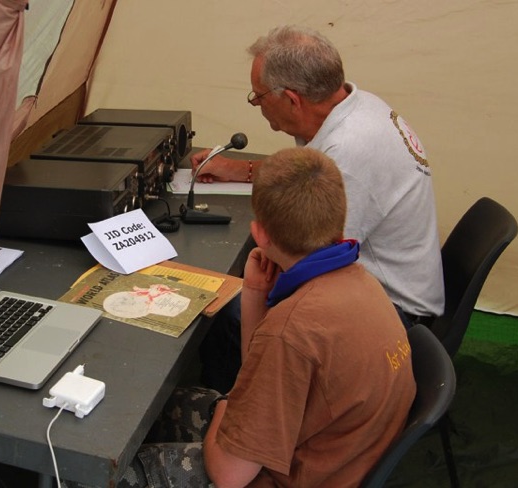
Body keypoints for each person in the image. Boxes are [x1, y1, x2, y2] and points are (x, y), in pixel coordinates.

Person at [69, 147, 416, 488]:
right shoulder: (362, 283)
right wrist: (253, 292)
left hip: (282, 477)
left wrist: (227, 406)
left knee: (96, 474)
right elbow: (264, 374)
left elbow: (229, 476)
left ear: (260, 234)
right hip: (334, 456)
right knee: (154, 410)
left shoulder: (292, 330)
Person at [196, 25, 444, 392]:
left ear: (292, 100)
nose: (257, 105)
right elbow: (307, 168)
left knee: (225, 312)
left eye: (258, 97)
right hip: (386, 285)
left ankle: (233, 408)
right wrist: (240, 170)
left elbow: (310, 261)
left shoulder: (349, 151)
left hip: (394, 312)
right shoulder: (354, 104)